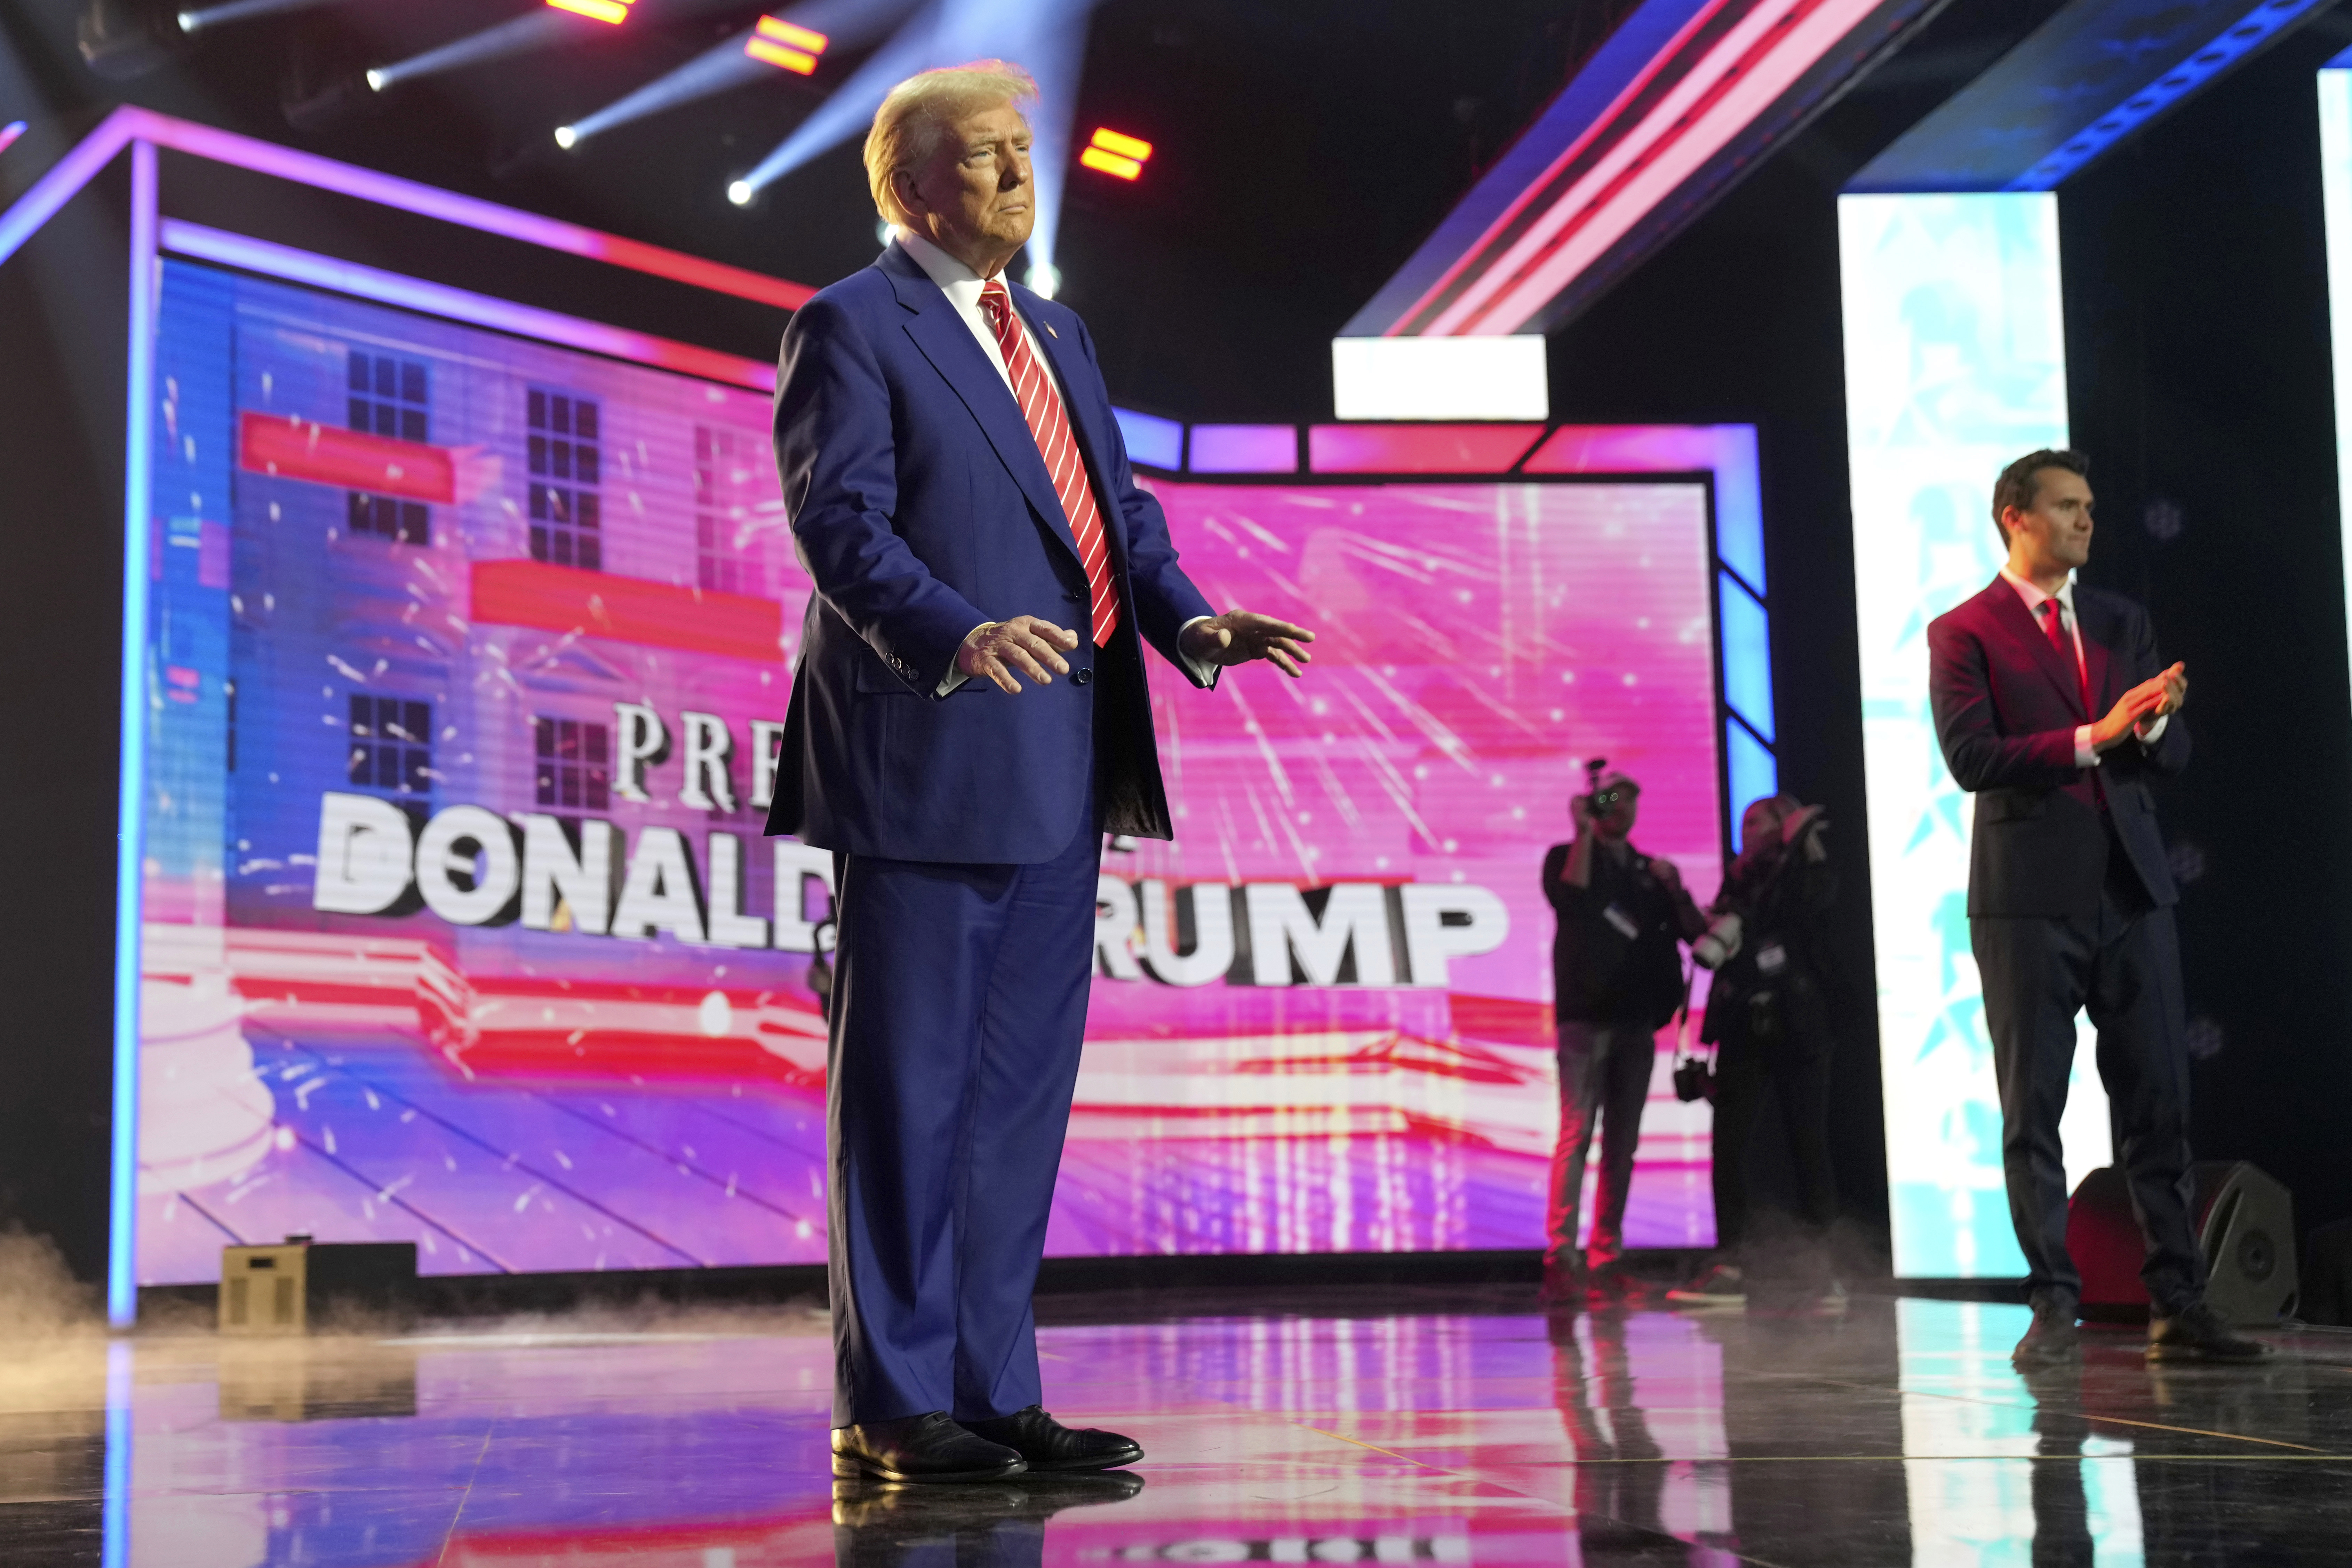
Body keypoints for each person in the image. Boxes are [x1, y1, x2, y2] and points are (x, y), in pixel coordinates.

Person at [765, 60, 1316, 1483]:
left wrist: (1190, 615)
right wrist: (951, 631)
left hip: (1061, 766)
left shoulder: (1054, 331)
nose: (1022, 176)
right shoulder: (849, 325)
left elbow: (1112, 516)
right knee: (905, 1100)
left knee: (1014, 1101)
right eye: (993, 157)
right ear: (911, 188)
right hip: (927, 757)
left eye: (1026, 152)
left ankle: (992, 1388)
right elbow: (841, 525)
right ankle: (889, 1401)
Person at [1926, 448, 2265, 1366]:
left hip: (2132, 890)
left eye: (2089, 507)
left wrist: (2152, 721)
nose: (2086, 521)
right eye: (2067, 507)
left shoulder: (2121, 619)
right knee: (2032, 1111)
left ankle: (2178, 1300)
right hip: (2028, 901)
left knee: (2159, 1101)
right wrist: (2094, 736)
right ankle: (2052, 1301)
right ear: (2015, 517)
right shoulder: (1964, 630)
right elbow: (1972, 758)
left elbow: (2173, 754)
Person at [1665, 794, 1842, 1311]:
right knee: (1730, 1148)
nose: (1746, 830)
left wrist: (1801, 844)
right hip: (1743, 1025)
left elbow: (1814, 903)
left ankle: (1825, 1273)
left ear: (1782, 825)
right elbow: (1716, 942)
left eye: (1757, 821)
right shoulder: (1739, 878)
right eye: (1742, 822)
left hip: (1799, 1025)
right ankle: (1730, 1267)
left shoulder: (1803, 868)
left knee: (1808, 1145)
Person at [1539, 769, 1706, 1303]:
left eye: (1629, 799)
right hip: (1585, 1018)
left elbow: (1692, 933)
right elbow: (1571, 895)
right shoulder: (1565, 857)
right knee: (1577, 1131)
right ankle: (1562, 1255)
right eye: (1610, 800)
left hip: (1635, 1020)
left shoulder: (1645, 871)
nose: (1621, 808)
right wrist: (1583, 832)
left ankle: (1606, 1255)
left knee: (1622, 1143)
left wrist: (1673, 886)